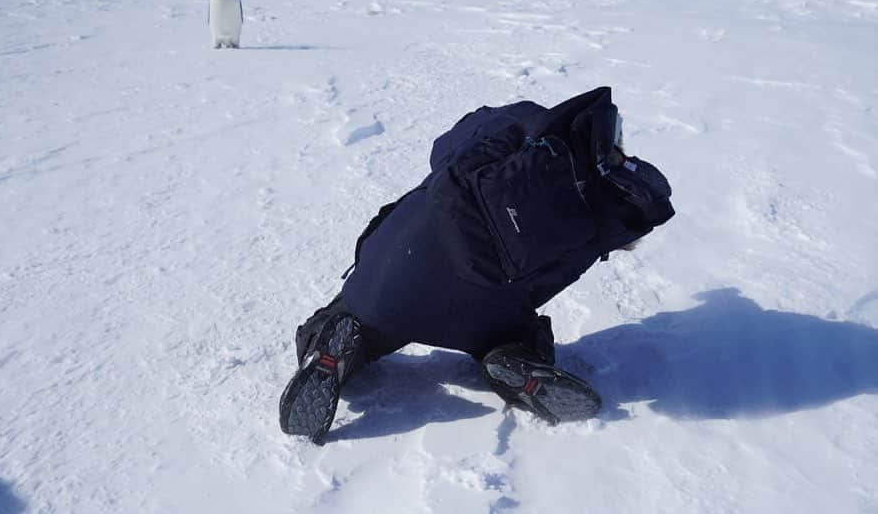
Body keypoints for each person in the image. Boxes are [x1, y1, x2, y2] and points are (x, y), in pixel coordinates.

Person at [279, 86, 675, 444]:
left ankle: (332, 345)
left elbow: (442, 149)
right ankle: (512, 355)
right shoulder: (608, 210)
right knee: (512, 321)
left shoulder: (521, 123)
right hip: (483, 310)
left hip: (393, 274)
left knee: (363, 312)